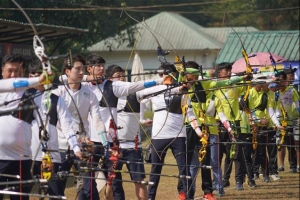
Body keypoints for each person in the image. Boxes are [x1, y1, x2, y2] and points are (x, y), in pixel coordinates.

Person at [81, 55, 165, 200]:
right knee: (91, 182)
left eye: (103, 65)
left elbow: (138, 86)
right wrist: (87, 78)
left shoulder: (113, 86)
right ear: (89, 69)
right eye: (97, 66)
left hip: (110, 143)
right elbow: (64, 78)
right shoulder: (83, 86)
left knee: (115, 180)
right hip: (91, 142)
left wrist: (161, 80)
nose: (101, 68)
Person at [137, 63, 209, 200]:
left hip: (178, 135)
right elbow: (139, 98)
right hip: (159, 135)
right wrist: (141, 119)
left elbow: (190, 113)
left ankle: (188, 196)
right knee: (155, 170)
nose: (168, 76)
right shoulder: (155, 89)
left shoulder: (181, 89)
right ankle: (150, 198)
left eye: (171, 74)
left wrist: (199, 132)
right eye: (165, 74)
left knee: (184, 169)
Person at [0, 53, 53, 200]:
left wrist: (45, 155)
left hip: (22, 159)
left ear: (23, 72)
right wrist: (38, 79)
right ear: (2, 70)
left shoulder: (33, 94)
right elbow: (11, 84)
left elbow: (44, 124)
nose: (13, 74)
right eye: (10, 70)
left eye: (17, 71)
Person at [28, 59, 82, 199]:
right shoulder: (23, 97)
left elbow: (67, 126)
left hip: (51, 155)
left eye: (45, 74)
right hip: (27, 154)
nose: (43, 78)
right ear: (30, 76)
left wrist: (76, 148)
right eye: (38, 75)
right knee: (21, 194)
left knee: (55, 194)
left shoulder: (56, 99)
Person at [53, 55, 106, 200]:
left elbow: (97, 120)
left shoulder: (89, 94)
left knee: (90, 188)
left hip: (83, 146)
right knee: (56, 187)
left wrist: (106, 142)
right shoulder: (57, 93)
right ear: (67, 71)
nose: (82, 72)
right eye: (78, 69)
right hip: (61, 145)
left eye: (83, 69)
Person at [105, 65, 151, 200]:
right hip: (114, 147)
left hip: (133, 146)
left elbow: (150, 90)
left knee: (139, 180)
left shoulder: (134, 93)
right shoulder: (105, 96)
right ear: (109, 79)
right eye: (118, 75)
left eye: (123, 75)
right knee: (112, 182)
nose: (122, 78)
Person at [213, 62, 255, 191]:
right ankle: (222, 181)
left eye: (230, 70)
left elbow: (247, 87)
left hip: (235, 123)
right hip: (219, 125)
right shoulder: (214, 86)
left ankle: (238, 181)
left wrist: (248, 77)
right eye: (226, 70)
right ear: (219, 72)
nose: (229, 72)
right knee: (220, 156)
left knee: (236, 154)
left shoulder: (235, 85)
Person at [277, 71, 299, 173]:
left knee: (293, 144)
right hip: (279, 122)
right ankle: (281, 165)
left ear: (286, 81)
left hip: (292, 120)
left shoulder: (291, 91)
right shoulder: (274, 91)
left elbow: (298, 105)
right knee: (280, 144)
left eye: (282, 80)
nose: (281, 82)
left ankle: (294, 165)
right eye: (279, 80)